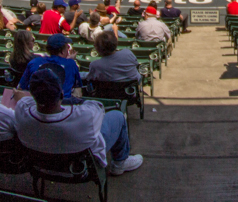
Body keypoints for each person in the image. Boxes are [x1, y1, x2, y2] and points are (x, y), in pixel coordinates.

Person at [13, 66, 143, 175]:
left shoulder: (21, 110)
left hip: (42, 164)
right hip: (82, 166)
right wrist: (72, 100)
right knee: (118, 116)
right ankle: (119, 163)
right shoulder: (84, 116)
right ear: (62, 95)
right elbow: (98, 106)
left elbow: (23, 100)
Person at [16, 34, 82, 99]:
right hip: (63, 105)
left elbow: (20, 88)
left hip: (36, 105)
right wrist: (68, 61)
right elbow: (78, 92)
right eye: (67, 47)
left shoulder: (34, 62)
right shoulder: (71, 63)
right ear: (62, 51)